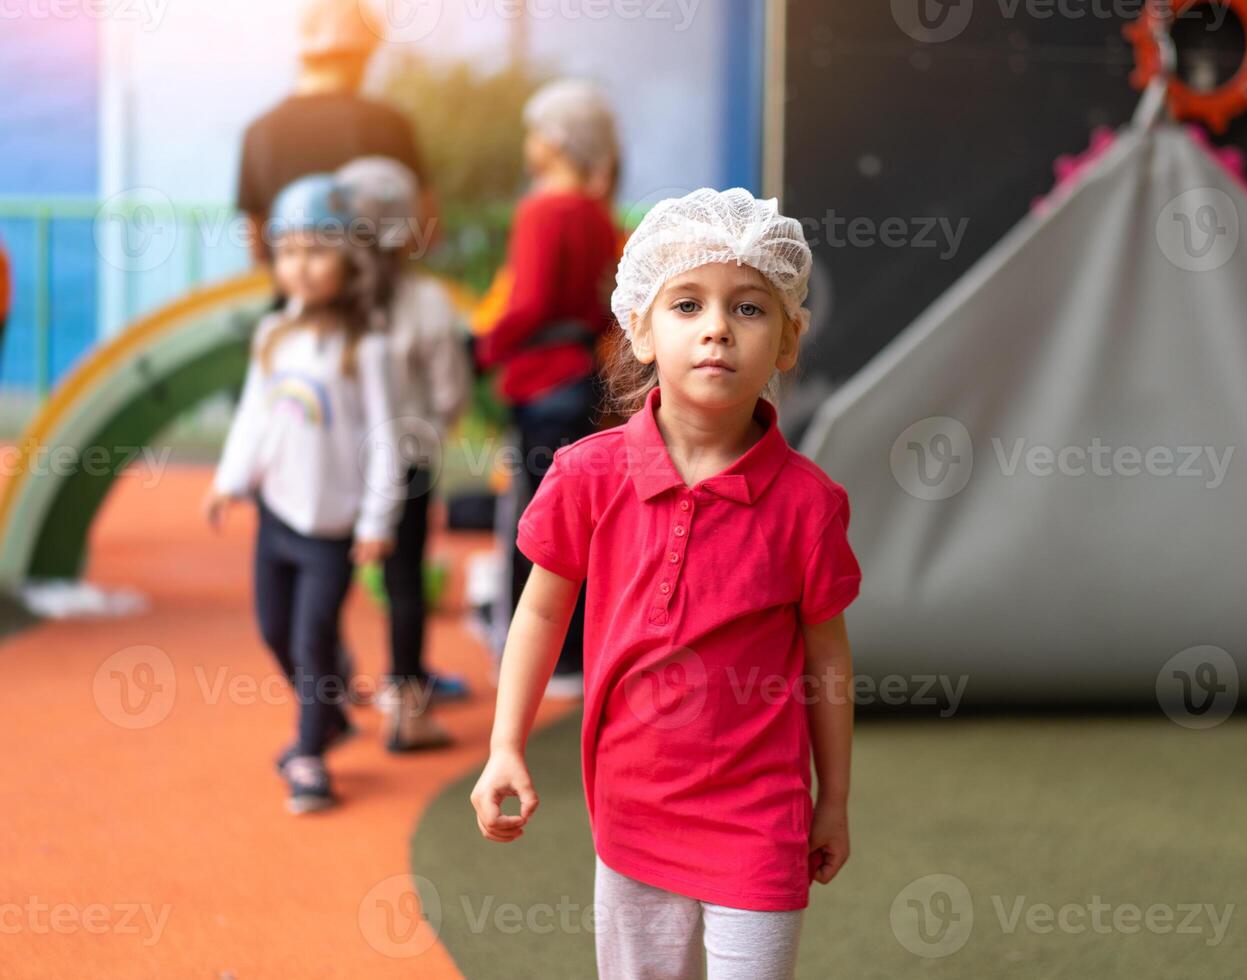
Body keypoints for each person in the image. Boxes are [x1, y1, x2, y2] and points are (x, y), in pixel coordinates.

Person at [468, 188, 862, 979]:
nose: (717, 326)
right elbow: (541, 612)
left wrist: (834, 801)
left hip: (762, 824)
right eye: (688, 304)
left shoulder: (809, 505)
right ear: (641, 330)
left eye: (750, 309)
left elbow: (827, 662)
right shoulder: (587, 475)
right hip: (632, 818)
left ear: (787, 342)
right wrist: (505, 744)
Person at [203, 174, 403, 814]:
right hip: (277, 515)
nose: (301, 265)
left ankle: (311, 754)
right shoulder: (273, 337)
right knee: (274, 630)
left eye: (318, 250)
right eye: (289, 251)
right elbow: (254, 419)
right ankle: (331, 715)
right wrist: (229, 482)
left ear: (352, 261)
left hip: (331, 527)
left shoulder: (366, 346)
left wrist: (377, 518)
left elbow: (386, 440)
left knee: (313, 637)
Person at [474, 78, 622, 697]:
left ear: (556, 140)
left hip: (540, 383)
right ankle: (577, 651)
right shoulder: (597, 214)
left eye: (537, 131)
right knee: (579, 521)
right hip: (583, 379)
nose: (529, 143)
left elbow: (528, 302)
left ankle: (534, 655)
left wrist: (483, 348)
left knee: (532, 521)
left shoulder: (541, 208)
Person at [336, 155, 470, 751]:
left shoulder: (332, 302)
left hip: (336, 461)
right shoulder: (429, 302)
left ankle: (328, 702)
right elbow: (451, 391)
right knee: (405, 581)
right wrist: (428, 429)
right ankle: (407, 709)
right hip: (409, 460)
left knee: (325, 578)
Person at [236, 0, 438, 266]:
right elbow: (428, 230)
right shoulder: (390, 123)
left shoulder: (259, 131)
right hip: (381, 299)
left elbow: (258, 250)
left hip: (295, 301)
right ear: (362, 54)